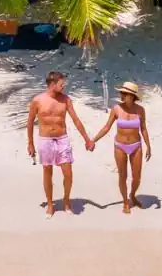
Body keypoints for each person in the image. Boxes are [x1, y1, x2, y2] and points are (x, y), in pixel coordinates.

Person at [26, 71, 93, 216]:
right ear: (52, 84)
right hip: (45, 140)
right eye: (61, 84)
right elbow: (30, 122)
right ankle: (50, 204)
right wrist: (30, 144)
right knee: (47, 172)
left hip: (62, 139)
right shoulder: (38, 100)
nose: (64, 87)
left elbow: (76, 120)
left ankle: (66, 200)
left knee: (68, 174)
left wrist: (87, 139)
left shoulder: (66, 100)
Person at [90, 82, 152, 214]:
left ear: (132, 95)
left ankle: (133, 195)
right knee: (122, 176)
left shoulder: (140, 110)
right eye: (121, 93)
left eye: (124, 93)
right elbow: (107, 127)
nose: (121, 95)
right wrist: (93, 140)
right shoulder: (116, 109)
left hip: (136, 146)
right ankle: (125, 201)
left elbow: (144, 129)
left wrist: (148, 146)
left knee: (137, 177)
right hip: (120, 146)